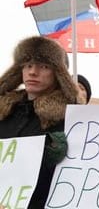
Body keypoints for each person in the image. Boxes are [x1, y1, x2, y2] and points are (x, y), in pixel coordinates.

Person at [0, 36, 79, 208]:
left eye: (43, 66)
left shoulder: (72, 120)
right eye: (27, 65)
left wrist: (52, 158)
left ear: (59, 73)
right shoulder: (3, 114)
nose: (32, 72)